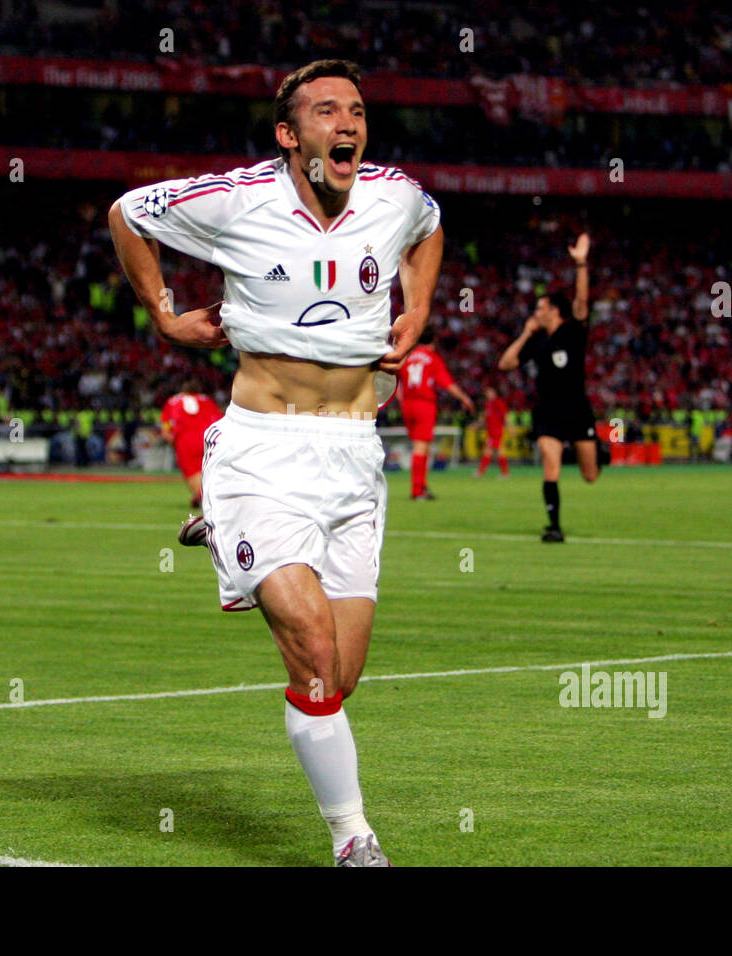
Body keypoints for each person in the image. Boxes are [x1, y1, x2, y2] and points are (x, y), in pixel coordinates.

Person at [109, 59, 442, 866]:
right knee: (312, 651)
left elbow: (429, 226)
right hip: (263, 448)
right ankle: (353, 838)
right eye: (328, 111)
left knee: (339, 679)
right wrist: (164, 315)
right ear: (291, 135)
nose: (349, 124)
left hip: (355, 455)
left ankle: (223, 532)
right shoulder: (236, 199)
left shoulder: (394, 195)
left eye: (357, 110)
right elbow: (127, 213)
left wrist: (419, 306)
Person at [497, 233, 596, 542]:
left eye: (540, 308)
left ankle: (588, 452)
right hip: (548, 410)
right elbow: (506, 364)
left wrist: (580, 264)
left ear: (554, 310)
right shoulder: (537, 340)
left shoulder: (573, 331)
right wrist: (526, 334)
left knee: (590, 475)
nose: (535, 312)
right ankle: (554, 526)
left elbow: (582, 302)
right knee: (549, 468)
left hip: (577, 409)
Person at [396, 326, 473, 500]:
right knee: (421, 446)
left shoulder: (408, 357)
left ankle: (422, 486)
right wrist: (464, 398)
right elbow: (447, 384)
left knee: (421, 446)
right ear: (434, 340)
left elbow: (396, 380)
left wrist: (402, 399)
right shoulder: (431, 358)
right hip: (424, 403)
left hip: (408, 404)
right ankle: (416, 491)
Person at [159, 379, 224, 508]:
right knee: (209, 470)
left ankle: (204, 499)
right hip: (208, 438)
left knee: (193, 472)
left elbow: (166, 431)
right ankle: (199, 496)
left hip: (186, 440)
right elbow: (221, 422)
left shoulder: (173, 402)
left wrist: (176, 444)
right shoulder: (207, 401)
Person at [475, 384, 509, 478]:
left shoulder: (498, 402)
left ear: (495, 393)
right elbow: (485, 418)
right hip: (490, 432)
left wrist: (510, 427)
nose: (488, 394)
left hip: (496, 431)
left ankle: (482, 472)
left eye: (490, 392)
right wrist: (476, 425)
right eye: (487, 393)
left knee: (492, 451)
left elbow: (505, 416)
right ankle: (504, 473)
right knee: (494, 451)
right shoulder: (488, 404)